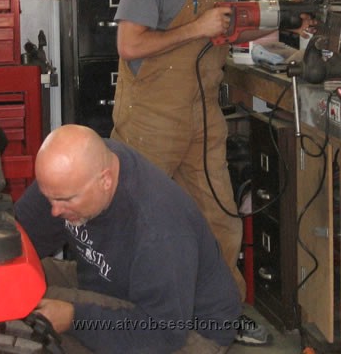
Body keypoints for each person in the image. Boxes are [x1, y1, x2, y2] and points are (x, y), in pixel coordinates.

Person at [111, 0, 314, 345]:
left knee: (218, 219)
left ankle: (221, 316)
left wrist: (283, 25)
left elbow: (216, 31)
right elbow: (129, 45)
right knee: (136, 219)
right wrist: (197, 27)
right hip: (151, 120)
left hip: (202, 115)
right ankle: (124, 318)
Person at [15, 124, 242, 354]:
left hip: (183, 330)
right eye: (49, 197)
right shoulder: (76, 174)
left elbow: (163, 333)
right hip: (115, 285)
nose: (54, 211)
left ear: (105, 180)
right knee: (17, 280)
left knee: (35, 319)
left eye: (65, 200)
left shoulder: (160, 230)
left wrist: (74, 318)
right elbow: (21, 234)